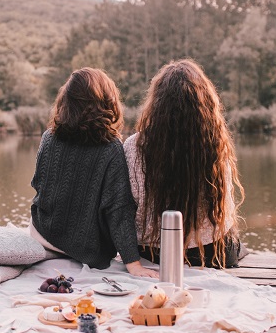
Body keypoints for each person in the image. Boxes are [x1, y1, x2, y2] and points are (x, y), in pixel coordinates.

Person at [29, 67, 159, 278]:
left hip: (44, 235)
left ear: (66, 101)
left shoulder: (48, 138)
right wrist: (133, 264)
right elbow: (118, 210)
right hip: (88, 250)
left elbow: (37, 184)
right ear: (107, 102)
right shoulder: (111, 148)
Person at [124, 59, 247, 268]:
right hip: (211, 253)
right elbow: (225, 208)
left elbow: (128, 206)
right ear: (205, 104)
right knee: (238, 245)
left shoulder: (133, 145)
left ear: (155, 104)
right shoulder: (215, 145)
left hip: (152, 253)